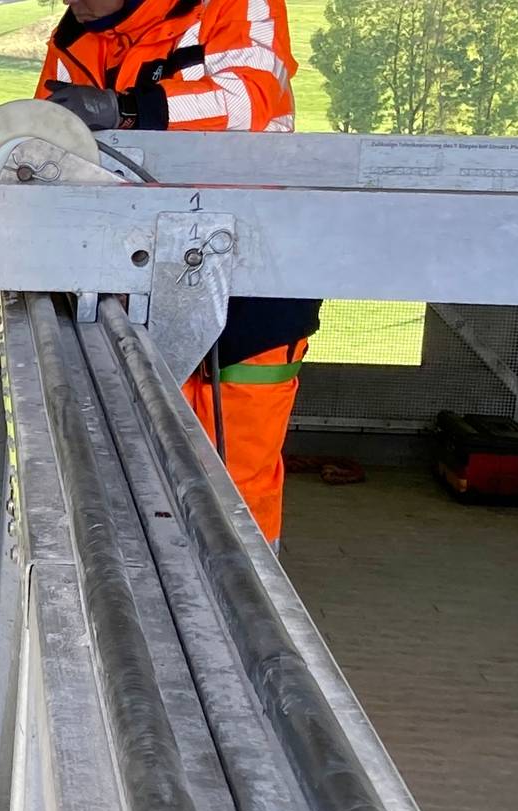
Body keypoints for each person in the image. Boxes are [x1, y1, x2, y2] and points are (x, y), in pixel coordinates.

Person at [36, 0, 322, 541]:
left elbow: (251, 101)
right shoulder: (75, 39)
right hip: (134, 291)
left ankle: (249, 617)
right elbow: (52, 145)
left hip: (250, 296)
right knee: (134, 480)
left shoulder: (233, 5)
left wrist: (125, 109)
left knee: (235, 493)